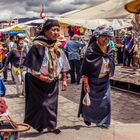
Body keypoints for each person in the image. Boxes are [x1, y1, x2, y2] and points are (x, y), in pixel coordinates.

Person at [23, 19, 70, 133]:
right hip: (36, 82)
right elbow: (30, 67)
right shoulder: (37, 46)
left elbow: (63, 63)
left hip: (53, 81)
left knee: (51, 105)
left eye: (58, 30)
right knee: (40, 105)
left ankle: (51, 126)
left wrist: (64, 79)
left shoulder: (57, 46)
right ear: (45, 31)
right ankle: (38, 124)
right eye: (53, 30)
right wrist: (42, 77)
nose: (56, 32)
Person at [78, 25, 115, 128]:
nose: (107, 39)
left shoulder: (110, 50)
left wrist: (110, 71)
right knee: (90, 102)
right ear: (98, 36)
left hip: (104, 80)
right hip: (92, 80)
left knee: (106, 101)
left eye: (109, 37)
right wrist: (86, 83)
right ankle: (88, 117)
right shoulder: (91, 51)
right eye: (104, 36)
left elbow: (112, 62)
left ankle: (104, 121)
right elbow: (85, 69)